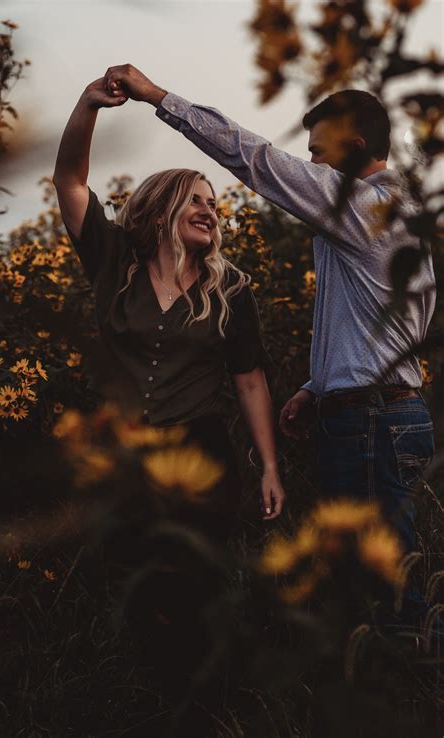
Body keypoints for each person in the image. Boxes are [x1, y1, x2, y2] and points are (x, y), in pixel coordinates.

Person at [100, 66, 436, 576]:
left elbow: (256, 159)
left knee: (384, 587)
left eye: (320, 151)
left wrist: (157, 97)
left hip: (373, 424)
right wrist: (316, 385)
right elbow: (389, 330)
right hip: (377, 416)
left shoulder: (368, 208)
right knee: (370, 579)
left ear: (355, 144)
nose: (312, 163)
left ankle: (413, 652)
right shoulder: (396, 215)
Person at [52, 76, 285, 543]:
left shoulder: (232, 288)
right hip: (124, 454)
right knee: (129, 586)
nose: (209, 211)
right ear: (161, 212)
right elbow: (70, 181)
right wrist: (87, 105)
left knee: (197, 587)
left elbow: (249, 379)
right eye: (194, 200)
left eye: (213, 205)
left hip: (201, 458)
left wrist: (270, 468)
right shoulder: (113, 259)